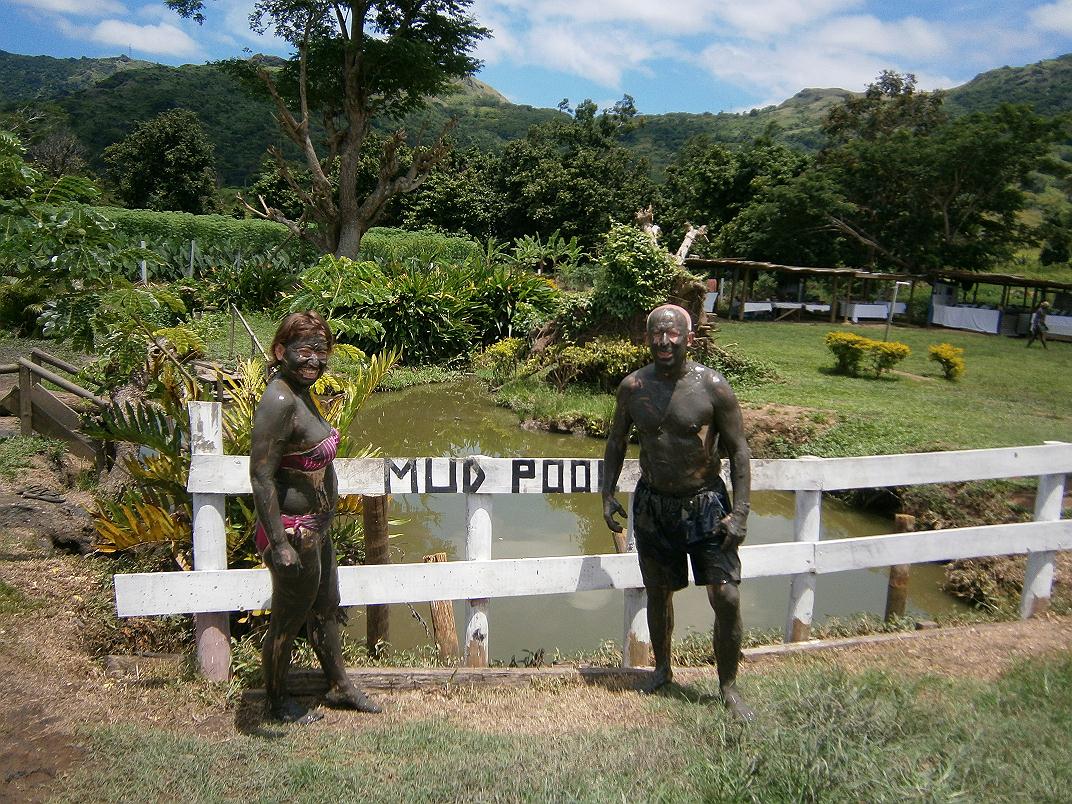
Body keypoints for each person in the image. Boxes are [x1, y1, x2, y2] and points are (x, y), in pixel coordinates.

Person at [601, 303, 754, 721]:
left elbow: (739, 451)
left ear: (689, 338)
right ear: (647, 337)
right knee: (658, 592)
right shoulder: (633, 388)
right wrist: (606, 493)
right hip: (654, 504)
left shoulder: (713, 388)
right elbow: (616, 442)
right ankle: (663, 670)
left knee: (725, 595)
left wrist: (739, 512)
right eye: (656, 334)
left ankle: (728, 686)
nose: (663, 342)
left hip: (706, 504)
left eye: (672, 335)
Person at [250, 311, 381, 723]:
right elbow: (261, 476)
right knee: (288, 620)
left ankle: (339, 686)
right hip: (293, 532)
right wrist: (279, 542)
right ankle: (274, 703)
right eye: (304, 351)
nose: (314, 361)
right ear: (279, 351)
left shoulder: (303, 392)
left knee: (326, 606)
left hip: (316, 530)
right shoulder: (279, 400)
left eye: (321, 352)